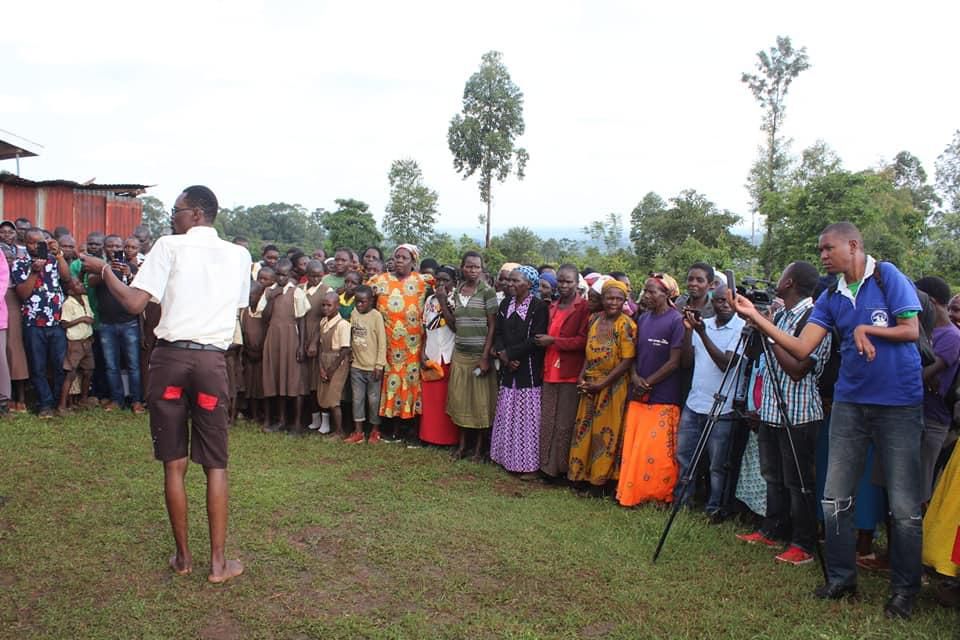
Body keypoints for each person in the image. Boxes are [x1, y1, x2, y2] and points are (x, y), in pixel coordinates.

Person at [730, 222, 924, 619]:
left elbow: (911, 329)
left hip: (898, 405)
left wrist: (868, 328)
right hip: (851, 404)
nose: (822, 256)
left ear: (853, 245)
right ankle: (841, 579)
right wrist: (756, 318)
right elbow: (802, 347)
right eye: (819, 250)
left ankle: (904, 592)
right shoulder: (831, 295)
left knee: (904, 507)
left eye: (827, 248)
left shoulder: (889, 278)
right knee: (835, 498)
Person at [79, 184, 250, 584]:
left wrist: (103, 271)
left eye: (176, 210)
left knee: (174, 465)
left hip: (171, 362)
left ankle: (183, 558)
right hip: (210, 363)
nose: (171, 216)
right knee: (216, 465)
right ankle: (218, 564)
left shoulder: (169, 246)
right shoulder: (240, 255)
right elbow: (237, 305)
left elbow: (136, 303)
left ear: (194, 214)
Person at [734, 261, 830, 566]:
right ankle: (772, 529)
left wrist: (768, 331)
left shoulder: (814, 318)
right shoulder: (782, 316)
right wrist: (759, 328)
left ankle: (802, 544)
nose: (777, 279)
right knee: (772, 476)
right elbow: (758, 355)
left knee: (798, 481)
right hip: (772, 409)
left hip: (799, 413)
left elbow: (798, 369)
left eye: (782, 274)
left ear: (789, 282)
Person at [675, 281, 745, 517]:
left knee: (717, 464)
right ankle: (682, 501)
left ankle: (715, 508)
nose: (723, 305)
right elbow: (686, 362)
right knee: (685, 456)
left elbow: (726, 363)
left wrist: (701, 334)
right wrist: (688, 331)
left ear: (736, 302)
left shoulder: (742, 328)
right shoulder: (703, 325)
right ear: (712, 303)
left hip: (722, 408)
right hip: (695, 402)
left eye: (728, 300)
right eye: (718, 300)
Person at [616, 273, 685, 507]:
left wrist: (648, 382)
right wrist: (635, 377)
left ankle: (657, 495)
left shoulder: (677, 321)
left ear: (667, 294)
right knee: (636, 446)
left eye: (652, 291)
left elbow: (674, 362)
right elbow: (634, 353)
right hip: (638, 392)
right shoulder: (643, 318)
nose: (646, 295)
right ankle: (633, 492)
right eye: (645, 291)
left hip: (663, 394)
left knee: (657, 450)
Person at [567, 279, 637, 492]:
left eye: (618, 298)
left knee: (605, 432)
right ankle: (580, 477)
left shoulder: (626, 324)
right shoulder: (594, 319)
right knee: (584, 428)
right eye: (609, 297)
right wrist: (582, 377)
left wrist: (603, 384)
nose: (613, 302)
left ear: (624, 300)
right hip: (590, 383)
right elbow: (587, 354)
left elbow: (627, 361)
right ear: (603, 298)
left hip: (613, 385)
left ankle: (599, 482)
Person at [369, 244, 432, 441]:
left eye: (404, 258)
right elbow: (364, 299)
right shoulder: (380, 281)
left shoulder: (423, 282)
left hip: (413, 346)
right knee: (391, 384)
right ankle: (391, 428)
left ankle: (410, 430)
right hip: (388, 345)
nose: (399, 261)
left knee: (411, 385)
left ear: (413, 261)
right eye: (397, 257)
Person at [490, 266, 548, 476]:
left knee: (526, 418)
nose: (510, 284)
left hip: (528, 369)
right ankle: (505, 457)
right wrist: (504, 356)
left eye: (516, 281)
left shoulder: (539, 307)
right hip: (509, 367)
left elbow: (536, 339)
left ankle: (527, 464)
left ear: (529, 284)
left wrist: (511, 355)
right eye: (510, 280)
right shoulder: (506, 303)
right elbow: (498, 332)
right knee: (508, 412)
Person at [533, 263, 589, 480]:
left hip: (569, 371)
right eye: (561, 281)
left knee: (564, 423)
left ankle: (560, 469)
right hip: (549, 370)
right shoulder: (552, 306)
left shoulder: (583, 308)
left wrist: (554, 341)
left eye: (569, 281)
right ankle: (545, 466)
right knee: (547, 419)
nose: (564, 285)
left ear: (576, 283)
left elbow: (582, 341)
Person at [445, 251, 499, 461]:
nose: (473, 270)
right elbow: (454, 324)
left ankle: (478, 449)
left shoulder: (488, 292)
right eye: (469, 266)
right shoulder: (457, 291)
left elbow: (493, 325)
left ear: (482, 269)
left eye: (476, 267)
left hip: (479, 355)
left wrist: (485, 356)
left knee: (480, 404)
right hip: (460, 354)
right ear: (462, 267)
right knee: (461, 401)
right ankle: (461, 446)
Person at [13, 229, 71, 417]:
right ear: (26, 243)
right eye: (32, 243)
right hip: (33, 323)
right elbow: (22, 294)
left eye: (40, 242)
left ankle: (57, 403)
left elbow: (67, 278)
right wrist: (34, 272)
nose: (36, 246)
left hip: (56, 322)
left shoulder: (54, 260)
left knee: (59, 365)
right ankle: (45, 404)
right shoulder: (20, 263)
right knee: (37, 366)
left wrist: (59, 254)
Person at [914, 276, 960, 500]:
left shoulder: (952, 337)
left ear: (929, 301)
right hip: (915, 414)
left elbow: (923, 376)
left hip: (932, 421)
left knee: (921, 489)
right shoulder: (925, 331)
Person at [88, 234, 143, 413]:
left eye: (117, 246)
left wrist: (129, 274)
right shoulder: (100, 267)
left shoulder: (132, 266)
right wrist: (107, 270)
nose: (114, 249)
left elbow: (140, 290)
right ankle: (117, 399)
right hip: (106, 324)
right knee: (111, 365)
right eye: (110, 246)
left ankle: (136, 401)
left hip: (129, 323)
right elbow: (90, 282)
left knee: (133, 364)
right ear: (105, 248)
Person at [260, 258, 309, 433]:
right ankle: (280, 420)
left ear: (290, 275)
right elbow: (264, 317)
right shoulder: (269, 292)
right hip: (273, 337)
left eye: (284, 275)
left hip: (291, 338)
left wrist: (301, 345)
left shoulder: (296, 292)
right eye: (278, 274)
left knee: (293, 381)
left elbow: (301, 319)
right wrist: (272, 299)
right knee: (277, 378)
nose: (281, 278)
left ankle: (296, 423)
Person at [420, 266, 459, 447]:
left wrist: (444, 302)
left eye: (446, 280)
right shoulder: (429, 299)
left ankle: (447, 439)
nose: (441, 284)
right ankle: (429, 437)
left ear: (454, 282)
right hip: (432, 355)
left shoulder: (457, 299)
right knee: (431, 400)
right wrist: (422, 352)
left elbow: (455, 327)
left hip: (449, 355)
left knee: (446, 400)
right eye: (438, 280)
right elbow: (425, 328)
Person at [347, 285, 386, 444]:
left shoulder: (376, 316)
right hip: (357, 366)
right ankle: (358, 432)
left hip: (372, 368)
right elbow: (351, 334)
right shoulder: (354, 313)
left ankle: (375, 431)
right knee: (357, 399)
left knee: (373, 400)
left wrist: (379, 365)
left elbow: (382, 342)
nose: (359, 305)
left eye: (363, 302)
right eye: (357, 302)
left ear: (371, 301)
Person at [310, 290, 351, 438]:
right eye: (323, 305)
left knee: (334, 397)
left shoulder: (343, 325)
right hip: (325, 359)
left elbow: (345, 349)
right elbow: (321, 346)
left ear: (337, 306)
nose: (326, 308)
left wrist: (331, 369)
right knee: (324, 395)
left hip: (337, 362)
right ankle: (331, 427)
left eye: (329, 305)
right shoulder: (323, 322)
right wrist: (321, 368)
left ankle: (339, 430)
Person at [299, 260, 330, 431]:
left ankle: (325, 421)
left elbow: (324, 318)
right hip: (302, 336)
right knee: (307, 381)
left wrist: (313, 342)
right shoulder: (300, 289)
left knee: (319, 381)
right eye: (312, 275)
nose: (315, 279)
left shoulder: (327, 291)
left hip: (319, 339)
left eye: (319, 276)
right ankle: (314, 418)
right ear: (307, 274)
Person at [58, 277, 95, 414]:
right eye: (77, 284)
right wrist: (82, 319)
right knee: (71, 373)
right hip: (75, 343)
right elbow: (64, 324)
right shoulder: (68, 303)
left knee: (88, 371)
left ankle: (83, 399)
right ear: (70, 291)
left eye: (80, 283)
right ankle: (62, 405)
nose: (81, 285)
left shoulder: (84, 298)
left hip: (87, 340)